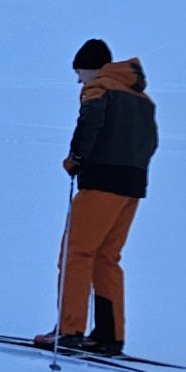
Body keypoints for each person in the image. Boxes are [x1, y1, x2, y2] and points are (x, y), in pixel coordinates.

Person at [35, 39, 159, 355]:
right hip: (131, 186)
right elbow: (152, 143)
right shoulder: (142, 99)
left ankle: (69, 329)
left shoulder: (99, 89)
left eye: (79, 72)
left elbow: (90, 123)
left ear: (91, 68)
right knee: (107, 257)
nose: (79, 80)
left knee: (76, 253)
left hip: (101, 183)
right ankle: (109, 334)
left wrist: (76, 157)